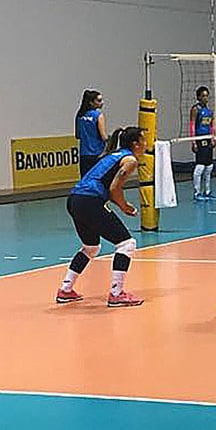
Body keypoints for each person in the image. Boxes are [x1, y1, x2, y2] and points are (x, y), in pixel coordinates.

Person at [56, 127, 146, 308]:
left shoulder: (113, 155)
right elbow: (114, 188)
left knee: (91, 247)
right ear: (135, 144)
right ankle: (116, 294)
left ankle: (65, 289)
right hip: (90, 201)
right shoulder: (130, 160)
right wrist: (124, 206)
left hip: (74, 200)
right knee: (126, 244)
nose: (146, 143)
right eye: (143, 140)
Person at [189, 85, 216, 201]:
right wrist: (193, 141)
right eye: (203, 96)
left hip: (208, 138)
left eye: (207, 96)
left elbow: (211, 126)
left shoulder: (209, 111)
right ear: (198, 97)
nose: (206, 98)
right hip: (200, 139)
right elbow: (192, 125)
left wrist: (213, 138)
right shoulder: (196, 109)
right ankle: (197, 192)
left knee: (209, 166)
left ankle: (207, 191)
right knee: (200, 166)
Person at [75, 89, 108, 176]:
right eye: (99, 100)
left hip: (84, 154)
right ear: (91, 102)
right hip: (98, 153)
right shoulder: (98, 115)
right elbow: (103, 136)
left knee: (85, 179)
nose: (102, 102)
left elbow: (78, 135)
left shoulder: (80, 115)